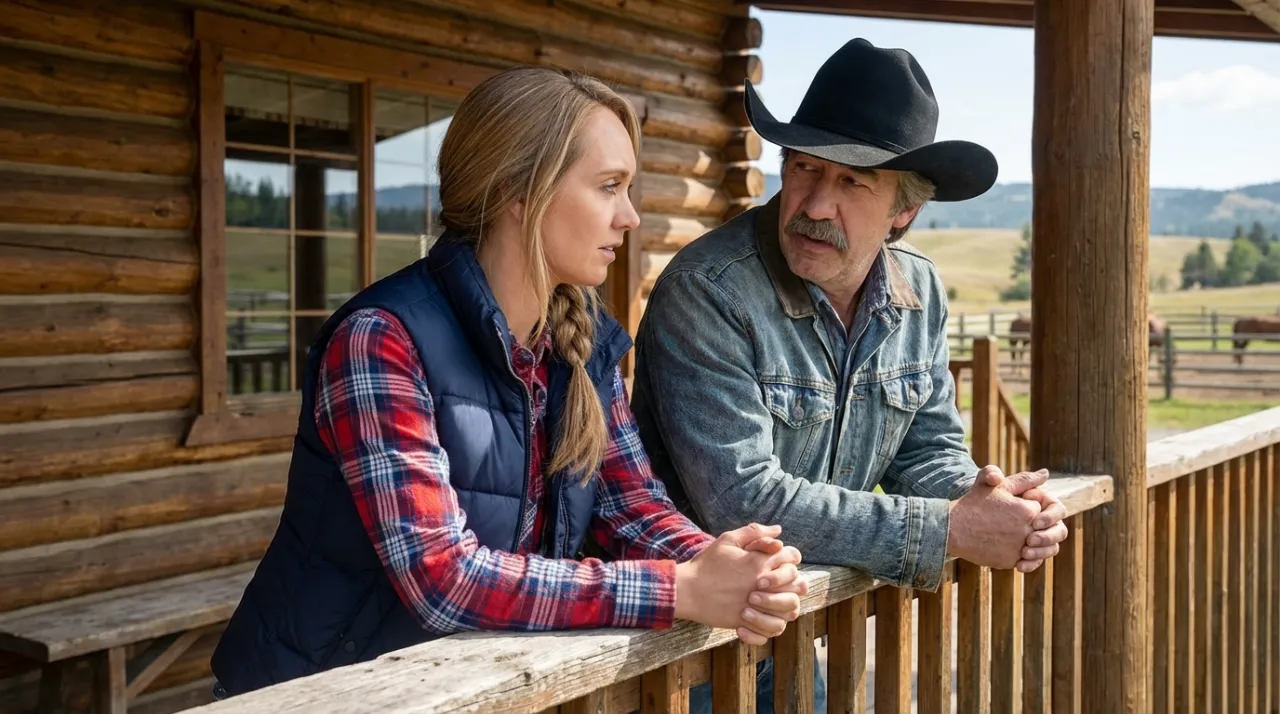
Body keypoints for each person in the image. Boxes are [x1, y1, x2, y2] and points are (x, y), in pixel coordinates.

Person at [209, 66, 809, 699]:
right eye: (609, 186)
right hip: (318, 696)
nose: (630, 216)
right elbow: (444, 578)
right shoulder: (381, 340)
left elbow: (629, 504)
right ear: (519, 191)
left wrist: (728, 563)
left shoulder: (582, 347)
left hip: (459, 691)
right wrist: (681, 589)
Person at [630, 39, 1070, 713]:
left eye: (851, 182)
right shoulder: (708, 290)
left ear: (904, 211)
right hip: (677, 645)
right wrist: (951, 530)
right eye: (804, 169)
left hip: (790, 626)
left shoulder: (917, 291)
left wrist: (992, 500)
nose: (813, 203)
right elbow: (741, 500)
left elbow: (928, 453)